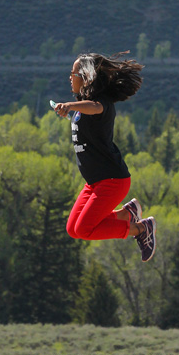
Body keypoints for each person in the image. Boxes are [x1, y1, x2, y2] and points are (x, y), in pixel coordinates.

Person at [53, 51, 156, 261]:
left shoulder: (101, 103)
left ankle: (141, 229)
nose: (70, 77)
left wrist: (69, 106)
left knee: (84, 229)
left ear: (86, 77)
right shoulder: (84, 104)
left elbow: (95, 108)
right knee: (73, 229)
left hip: (112, 180)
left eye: (73, 73)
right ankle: (127, 214)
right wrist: (73, 107)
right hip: (94, 183)